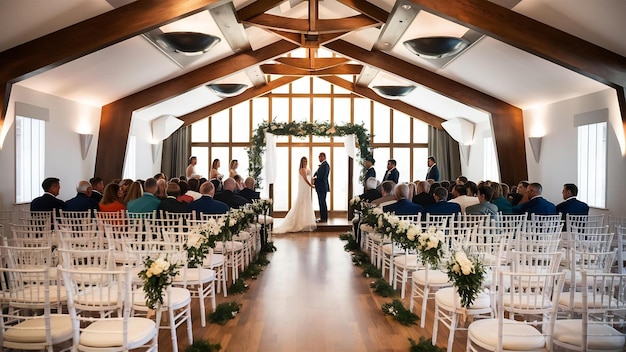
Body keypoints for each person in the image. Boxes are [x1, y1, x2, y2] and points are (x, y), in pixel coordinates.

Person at [274, 157, 317, 233]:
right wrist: (311, 185)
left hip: (307, 189)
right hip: (304, 188)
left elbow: (310, 177)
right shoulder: (302, 170)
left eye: (306, 161)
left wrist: (313, 180)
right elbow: (305, 179)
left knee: (306, 203)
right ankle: (300, 222)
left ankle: (306, 220)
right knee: (302, 202)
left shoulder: (307, 169)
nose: (305, 162)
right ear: (301, 162)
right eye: (303, 161)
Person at [313, 152, 330, 222]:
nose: (319, 158)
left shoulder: (325, 165)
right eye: (319, 157)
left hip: (322, 187)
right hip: (321, 187)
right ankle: (323, 217)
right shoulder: (323, 165)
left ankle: (323, 218)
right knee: (321, 202)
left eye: (320, 156)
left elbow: (321, 177)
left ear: (324, 157)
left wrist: (314, 179)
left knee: (322, 202)